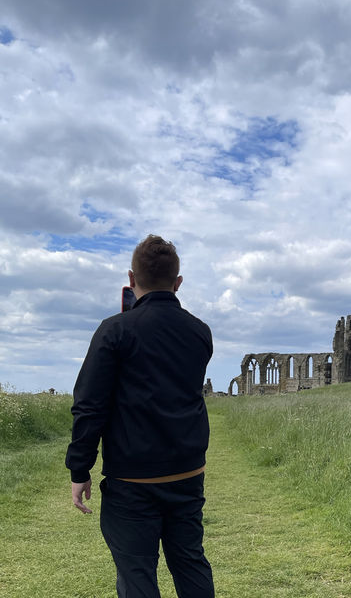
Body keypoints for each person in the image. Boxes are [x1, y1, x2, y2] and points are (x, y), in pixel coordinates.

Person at [65, 235, 215, 597]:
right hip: (187, 472)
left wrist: (80, 469)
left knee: (136, 574)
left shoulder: (115, 331)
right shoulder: (200, 332)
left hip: (132, 479)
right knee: (190, 561)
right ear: (178, 283)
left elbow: (89, 405)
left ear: (132, 279)